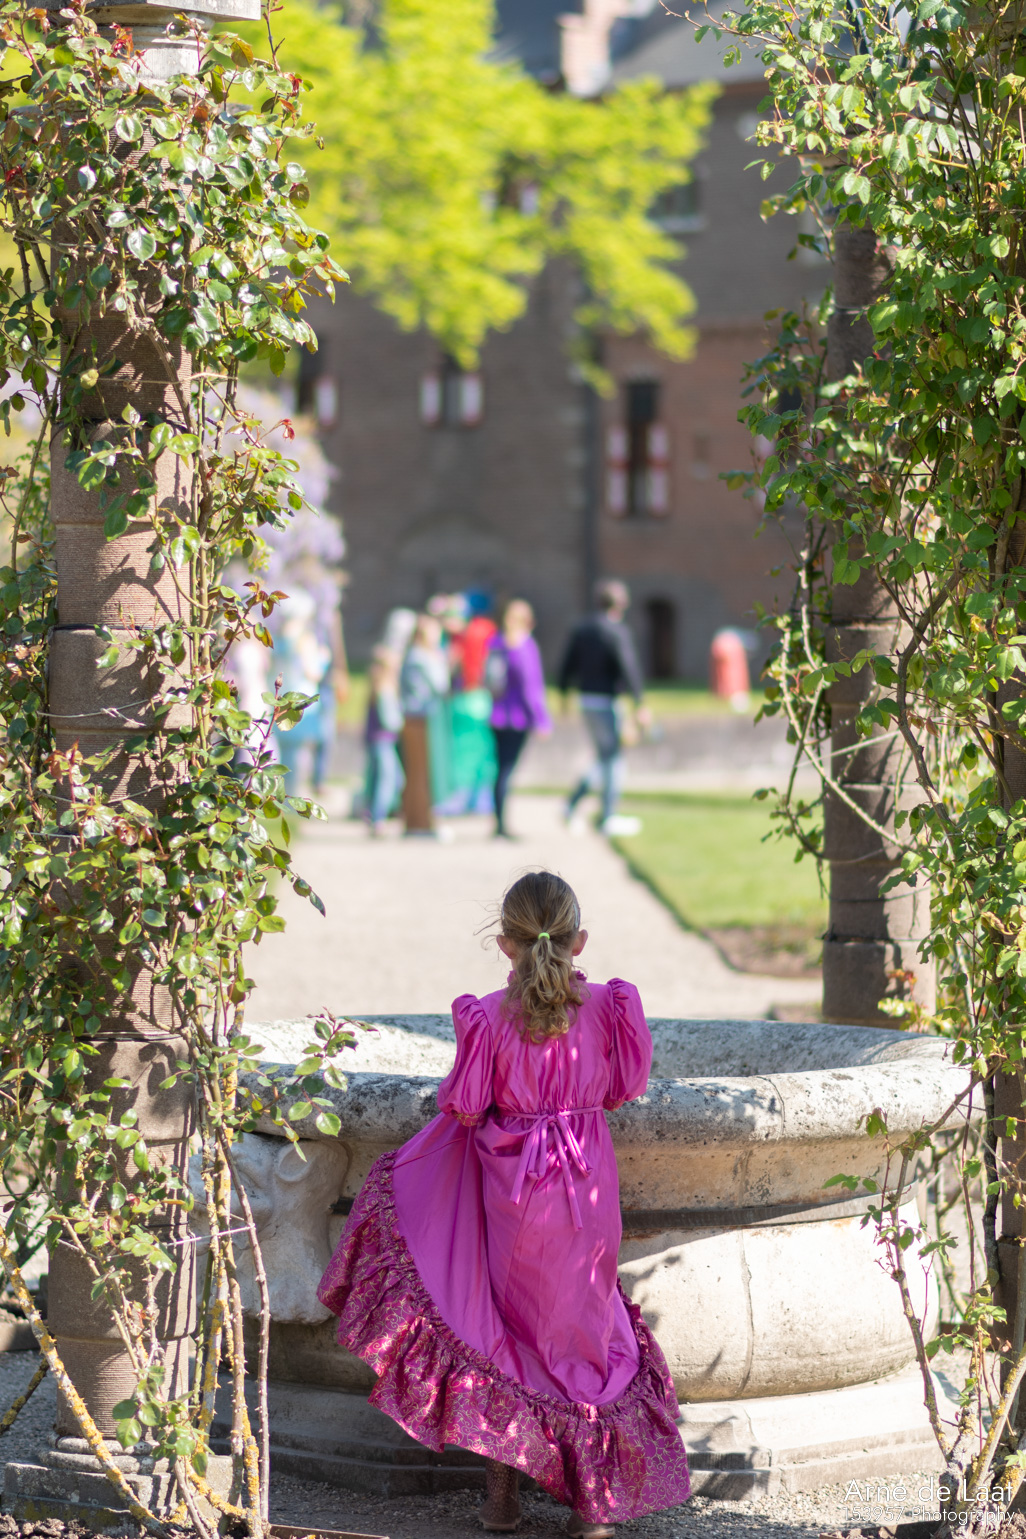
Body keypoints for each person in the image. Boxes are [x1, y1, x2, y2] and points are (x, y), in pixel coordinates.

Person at [318, 871, 691, 1538]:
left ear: (503, 944)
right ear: (580, 941)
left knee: (502, 1332)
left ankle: (502, 1502)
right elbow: (624, 1087)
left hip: (515, 1196)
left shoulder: (487, 1015)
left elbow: (465, 1104)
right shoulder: (610, 1005)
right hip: (588, 1193)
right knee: (585, 1333)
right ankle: (590, 1507)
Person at [558, 580, 649, 837]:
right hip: (607, 701)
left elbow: (567, 663)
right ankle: (607, 816)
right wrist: (639, 703)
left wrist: (564, 694)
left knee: (604, 756)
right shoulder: (617, 632)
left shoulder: (582, 629)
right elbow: (628, 667)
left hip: (586, 700)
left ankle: (572, 804)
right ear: (622, 604)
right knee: (612, 760)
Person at [486, 599, 551, 840]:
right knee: (507, 769)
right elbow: (531, 689)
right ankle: (502, 825)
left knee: (500, 769)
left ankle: (498, 822)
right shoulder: (525, 646)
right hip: (517, 717)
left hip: (496, 715)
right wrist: (541, 720)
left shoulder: (496, 643)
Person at [399, 613, 450, 835]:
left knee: (415, 772)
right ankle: (420, 822)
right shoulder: (422, 657)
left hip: (413, 717)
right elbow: (441, 686)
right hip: (419, 719)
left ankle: (415, 821)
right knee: (421, 772)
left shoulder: (412, 654)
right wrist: (443, 660)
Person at [363, 647, 405, 836]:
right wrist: (403, 722)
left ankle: (371, 814)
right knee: (390, 780)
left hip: (375, 741)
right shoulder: (386, 689)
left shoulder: (376, 686)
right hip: (384, 740)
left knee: (376, 779)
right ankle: (378, 817)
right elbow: (390, 720)